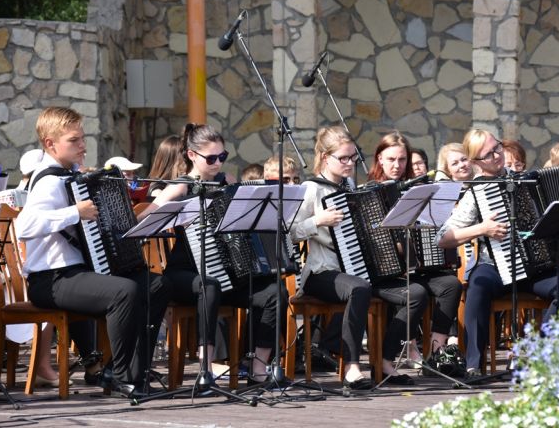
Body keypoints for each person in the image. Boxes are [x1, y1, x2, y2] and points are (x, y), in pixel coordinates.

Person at [15, 107, 171, 398]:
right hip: (50, 279)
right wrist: (76, 211)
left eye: (82, 138)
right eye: (74, 140)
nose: (83, 145)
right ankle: (121, 376)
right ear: (50, 144)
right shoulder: (48, 182)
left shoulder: (72, 176)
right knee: (123, 291)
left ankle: (129, 370)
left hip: (78, 274)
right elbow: (25, 226)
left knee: (157, 285)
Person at [139, 123, 286, 384]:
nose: (218, 163)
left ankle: (258, 366)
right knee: (210, 285)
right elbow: (143, 219)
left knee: (276, 292)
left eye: (222, 156)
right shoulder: (181, 187)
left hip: (231, 272)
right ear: (192, 155)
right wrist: (172, 216)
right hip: (185, 274)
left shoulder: (227, 182)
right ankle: (205, 369)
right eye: (211, 158)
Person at [436, 128, 559, 378]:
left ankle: (539, 351)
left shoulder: (529, 182)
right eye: (488, 154)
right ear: (475, 162)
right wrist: (482, 228)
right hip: (495, 268)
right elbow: (444, 238)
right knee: (477, 284)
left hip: (536, 266)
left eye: (497, 148)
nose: (496, 156)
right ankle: (474, 364)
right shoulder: (476, 192)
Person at [367, 131, 463, 377]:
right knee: (417, 293)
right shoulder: (369, 193)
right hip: (385, 274)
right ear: (379, 159)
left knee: (451, 284)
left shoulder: (417, 190)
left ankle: (435, 353)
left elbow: (431, 230)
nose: (397, 165)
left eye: (402, 160)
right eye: (391, 159)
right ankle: (386, 359)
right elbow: (375, 244)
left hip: (414, 270)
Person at [290, 126, 375, 389]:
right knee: (360, 289)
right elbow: (290, 232)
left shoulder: (349, 186)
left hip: (349, 267)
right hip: (319, 271)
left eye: (353, 157)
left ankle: (387, 362)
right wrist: (318, 220)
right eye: (344, 158)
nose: (350, 163)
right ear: (326, 158)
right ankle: (351, 366)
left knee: (398, 287)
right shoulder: (311, 189)